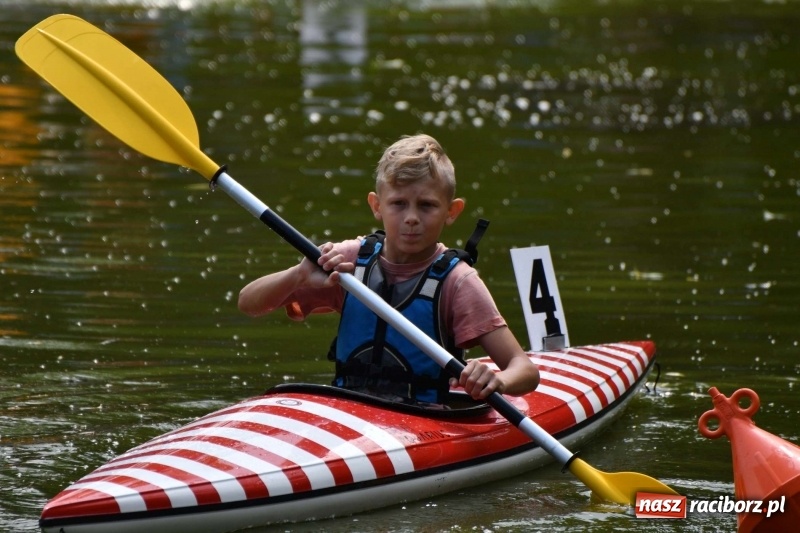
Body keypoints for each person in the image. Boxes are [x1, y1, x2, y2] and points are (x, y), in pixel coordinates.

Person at [238, 134, 539, 406]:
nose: (411, 218)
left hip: (424, 420)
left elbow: (524, 369)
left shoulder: (457, 281)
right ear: (376, 205)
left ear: (451, 211)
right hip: (348, 409)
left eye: (426, 205)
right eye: (398, 203)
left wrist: (496, 380)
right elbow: (248, 304)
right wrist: (299, 274)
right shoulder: (349, 262)